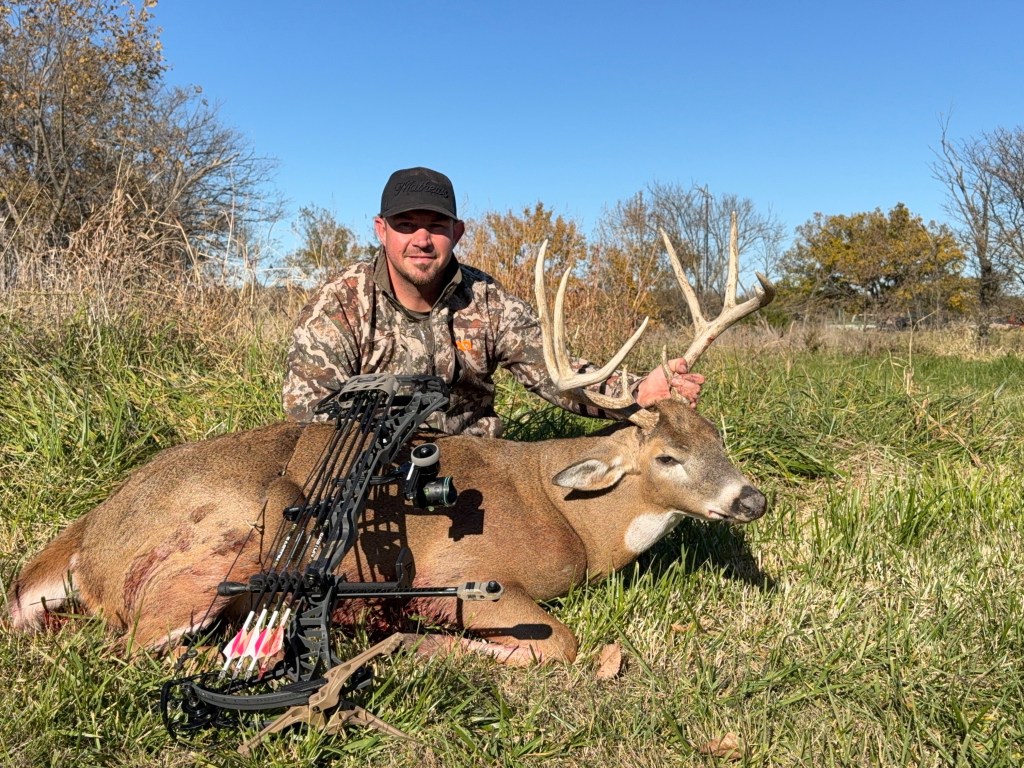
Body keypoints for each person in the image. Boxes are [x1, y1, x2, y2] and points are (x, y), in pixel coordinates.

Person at [282, 167, 703, 437]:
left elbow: (556, 376)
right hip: (371, 465)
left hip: (477, 467)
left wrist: (636, 390)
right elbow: (308, 417)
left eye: (436, 226)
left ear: (458, 232)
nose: (422, 240)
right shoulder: (340, 304)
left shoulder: (488, 301)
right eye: (406, 225)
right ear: (381, 230)